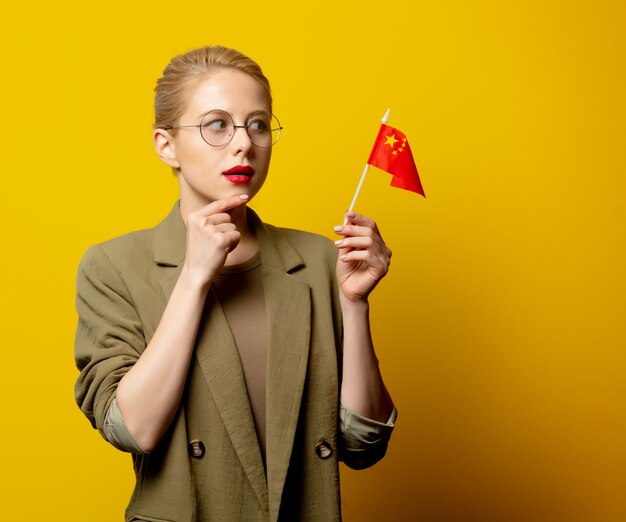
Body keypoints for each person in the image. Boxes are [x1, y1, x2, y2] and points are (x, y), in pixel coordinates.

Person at [74, 45, 397, 522]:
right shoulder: (114, 265)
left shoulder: (318, 260)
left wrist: (354, 303)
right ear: (166, 145)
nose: (244, 143)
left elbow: (361, 443)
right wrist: (195, 276)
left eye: (259, 124)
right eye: (218, 124)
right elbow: (133, 429)